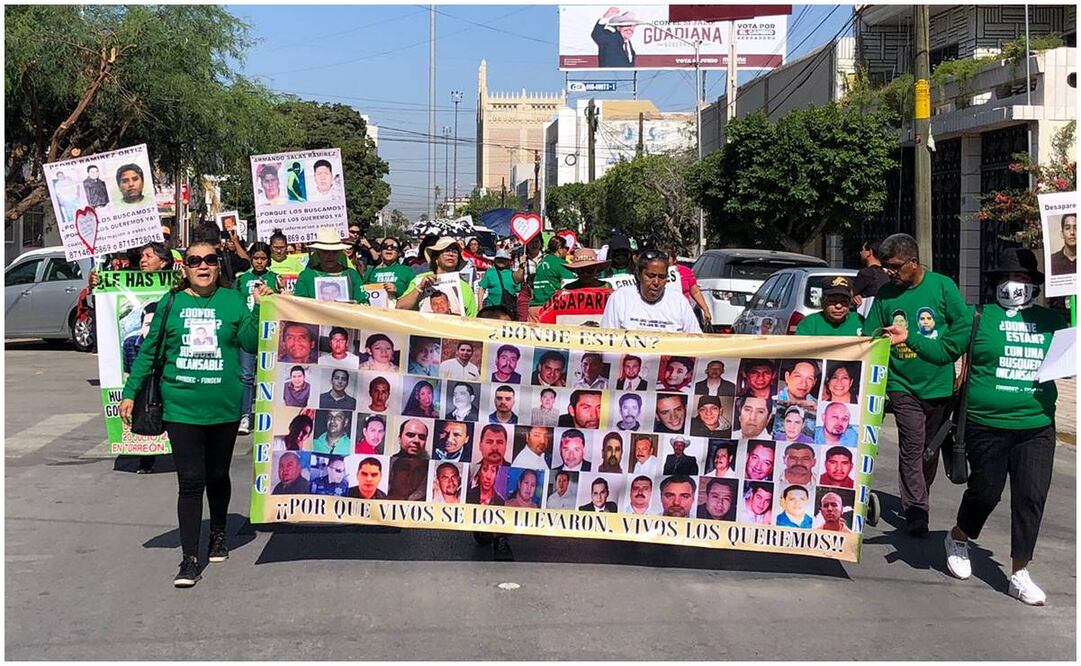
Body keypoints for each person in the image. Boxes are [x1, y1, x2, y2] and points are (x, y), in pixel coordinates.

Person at [119, 238, 270, 587]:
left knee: (217, 475)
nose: (203, 266)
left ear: (219, 266)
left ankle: (218, 533)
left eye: (210, 260)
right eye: (195, 261)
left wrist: (260, 307)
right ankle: (189, 558)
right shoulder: (171, 303)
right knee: (190, 481)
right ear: (184, 268)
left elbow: (250, 342)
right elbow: (149, 352)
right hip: (181, 407)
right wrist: (130, 392)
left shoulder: (232, 300)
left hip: (224, 407)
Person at [932, 248, 1065, 605]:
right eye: (1009, 278)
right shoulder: (979, 317)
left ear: (1034, 286)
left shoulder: (1051, 322)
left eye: (1022, 279)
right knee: (986, 491)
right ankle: (959, 536)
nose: (1015, 285)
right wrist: (906, 340)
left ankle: (1019, 572)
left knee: (1030, 497)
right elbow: (943, 350)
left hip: (1036, 424)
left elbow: (1066, 361)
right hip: (985, 424)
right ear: (995, 284)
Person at [870, 232, 971, 537]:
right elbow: (869, 335)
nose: (890, 273)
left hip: (940, 384)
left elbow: (964, 325)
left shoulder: (942, 286)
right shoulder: (885, 295)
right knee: (912, 445)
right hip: (902, 384)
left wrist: (960, 362)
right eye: (886, 267)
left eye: (895, 267)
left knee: (929, 449)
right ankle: (916, 509)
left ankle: (919, 494)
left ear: (913, 262)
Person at [235, 241, 280, 433]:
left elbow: (282, 302)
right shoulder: (241, 279)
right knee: (246, 376)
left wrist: (281, 289)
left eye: (263, 258)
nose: (259, 262)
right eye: (256, 258)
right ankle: (245, 415)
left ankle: (269, 414)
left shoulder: (275, 278)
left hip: (269, 331)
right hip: (247, 331)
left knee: (268, 375)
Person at [600, 249, 702, 333]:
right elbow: (608, 339)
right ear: (639, 275)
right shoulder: (620, 298)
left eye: (662, 277)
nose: (656, 282)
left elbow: (696, 339)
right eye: (650, 276)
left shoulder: (679, 301)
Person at [397, 237, 478, 317]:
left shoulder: (465, 287)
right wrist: (420, 288)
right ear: (436, 259)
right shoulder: (419, 280)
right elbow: (400, 307)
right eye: (446, 251)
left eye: (455, 252)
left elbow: (472, 320)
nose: (451, 254)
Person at [292, 228, 368, 303]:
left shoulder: (352, 275)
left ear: (340, 252)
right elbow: (300, 307)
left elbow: (363, 303)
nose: (330, 256)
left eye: (334, 251)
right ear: (318, 252)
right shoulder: (305, 276)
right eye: (325, 252)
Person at [529, 236, 576, 321]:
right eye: (566, 248)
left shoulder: (541, 262)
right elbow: (572, 287)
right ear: (559, 249)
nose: (567, 251)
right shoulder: (562, 264)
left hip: (534, 309)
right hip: (549, 308)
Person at [852, 240, 890, 307]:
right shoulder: (887, 272)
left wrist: (854, 297)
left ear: (870, 252)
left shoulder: (866, 273)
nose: (861, 252)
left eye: (862, 249)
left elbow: (851, 293)